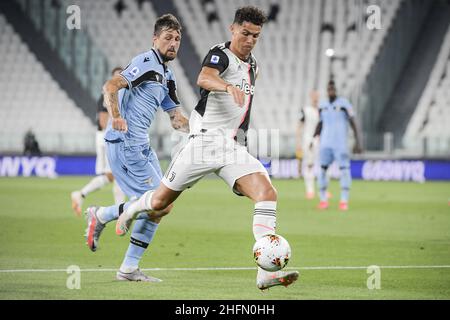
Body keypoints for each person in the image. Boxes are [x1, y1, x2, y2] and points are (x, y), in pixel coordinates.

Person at [115, 6, 299, 290]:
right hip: (203, 143)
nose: (249, 40)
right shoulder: (220, 54)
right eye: (245, 33)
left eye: (256, 36)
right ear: (233, 29)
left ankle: (264, 273)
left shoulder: (254, 66)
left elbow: (242, 109)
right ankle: (129, 211)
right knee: (160, 202)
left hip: (231, 147)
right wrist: (226, 87)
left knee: (266, 193)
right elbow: (204, 77)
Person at [84, 14, 189, 282]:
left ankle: (129, 268)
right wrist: (116, 116)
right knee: (161, 204)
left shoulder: (167, 74)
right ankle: (102, 215)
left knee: (163, 204)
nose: (173, 43)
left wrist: (206, 130)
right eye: (168, 38)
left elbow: (177, 118)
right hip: (126, 143)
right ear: (155, 39)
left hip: (142, 144)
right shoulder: (146, 61)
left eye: (177, 39)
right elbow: (110, 85)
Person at [70, 67, 126, 217]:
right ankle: (120, 210)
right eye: (117, 76)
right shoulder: (107, 95)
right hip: (106, 138)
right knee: (117, 173)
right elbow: (102, 121)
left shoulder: (119, 95)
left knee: (111, 175)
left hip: (110, 137)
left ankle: (80, 194)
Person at [313, 80, 362, 211]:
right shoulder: (322, 105)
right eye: (329, 89)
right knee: (322, 169)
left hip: (340, 143)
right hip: (325, 143)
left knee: (344, 170)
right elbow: (320, 123)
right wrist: (313, 138)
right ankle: (323, 200)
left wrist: (358, 141)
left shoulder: (344, 104)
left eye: (333, 89)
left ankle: (344, 200)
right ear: (327, 91)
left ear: (336, 90)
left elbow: (353, 122)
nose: (331, 91)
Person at [296, 90, 320, 199]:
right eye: (314, 95)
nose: (316, 97)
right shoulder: (306, 110)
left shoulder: (322, 110)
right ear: (311, 96)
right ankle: (310, 190)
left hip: (320, 141)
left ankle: (323, 189)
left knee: (323, 165)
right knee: (309, 165)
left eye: (317, 95)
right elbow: (300, 126)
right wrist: (298, 143)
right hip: (308, 140)